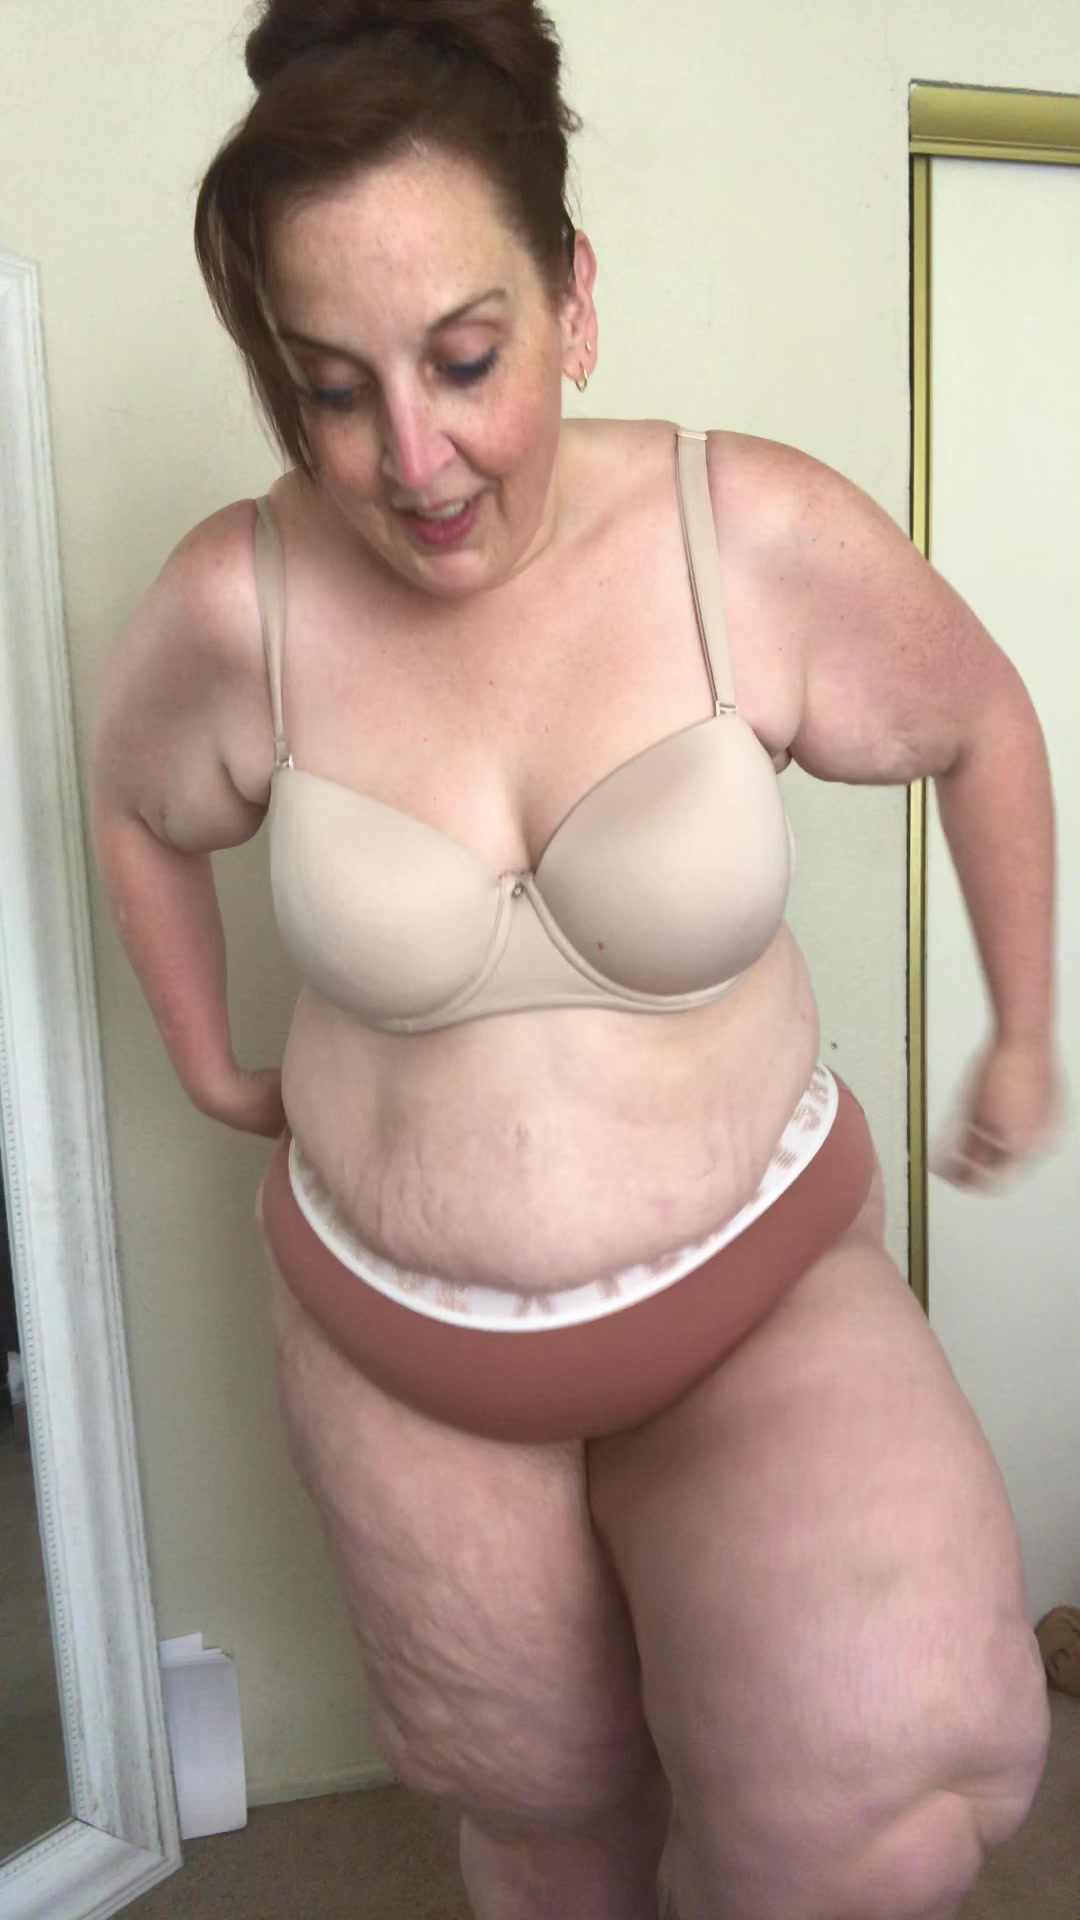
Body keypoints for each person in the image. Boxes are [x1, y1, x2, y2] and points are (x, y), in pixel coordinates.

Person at [90, 3, 1060, 1916]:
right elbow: (136, 808)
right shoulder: (235, 601)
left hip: (758, 1291)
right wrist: (209, 1066)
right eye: (334, 391)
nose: (415, 458)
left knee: (881, 1797)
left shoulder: (747, 533)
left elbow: (981, 719)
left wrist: (1025, 1030)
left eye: (466, 361)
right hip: (399, 1347)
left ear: (574, 302)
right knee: (545, 1816)